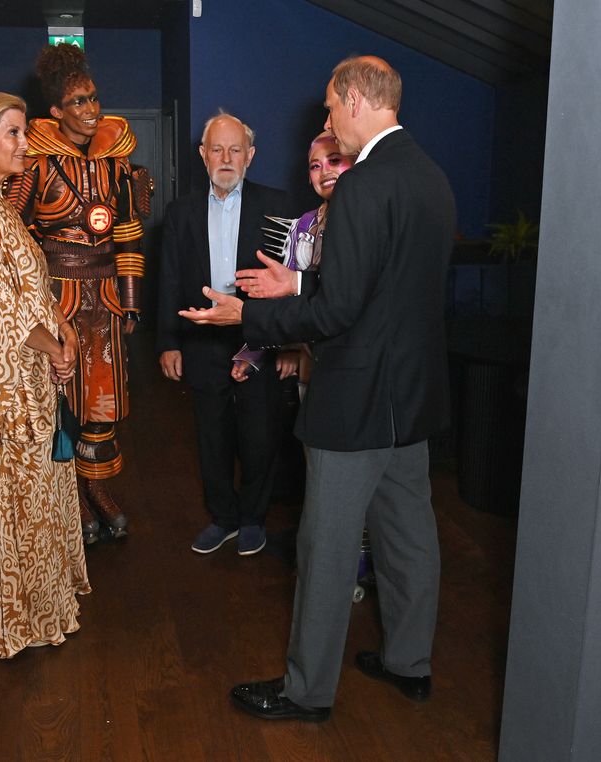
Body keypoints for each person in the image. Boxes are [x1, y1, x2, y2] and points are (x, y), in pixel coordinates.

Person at [179, 55, 456, 721]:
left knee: (326, 547)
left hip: (356, 400)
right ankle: (408, 663)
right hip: (410, 397)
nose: (328, 122)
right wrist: (297, 284)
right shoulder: (431, 177)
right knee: (409, 537)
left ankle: (306, 694)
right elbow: (380, 292)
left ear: (356, 100)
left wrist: (250, 314)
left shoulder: (361, 186)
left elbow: (338, 315)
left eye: (331, 108)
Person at [0, 91, 90, 658]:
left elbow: (30, 289)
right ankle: (19, 620)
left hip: (33, 370)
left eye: (24, 132)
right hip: (8, 382)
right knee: (18, 502)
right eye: (14, 133)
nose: (25, 143)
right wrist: (53, 345)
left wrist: (64, 332)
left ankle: (47, 606)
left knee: (40, 495)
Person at [6, 43, 146, 544]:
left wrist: (130, 298)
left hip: (104, 299)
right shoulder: (34, 166)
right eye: (79, 103)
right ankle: (69, 500)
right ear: (56, 112)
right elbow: (13, 238)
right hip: (57, 300)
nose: (91, 111)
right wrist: (31, 308)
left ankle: (98, 490)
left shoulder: (115, 164)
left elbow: (127, 230)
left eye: (94, 99)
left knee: (103, 404)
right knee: (61, 401)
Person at [155, 112, 295, 557]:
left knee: (259, 436)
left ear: (251, 156)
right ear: (202, 155)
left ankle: (254, 518)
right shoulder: (180, 213)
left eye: (236, 149)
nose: (227, 158)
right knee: (211, 439)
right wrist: (168, 342)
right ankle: (224, 518)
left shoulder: (279, 207)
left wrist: (277, 346)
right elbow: (169, 279)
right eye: (217, 149)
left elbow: (290, 285)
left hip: (257, 340)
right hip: (199, 343)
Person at [231, 132, 354, 387]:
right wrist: (270, 350)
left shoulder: (364, 220)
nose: (325, 172)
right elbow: (285, 296)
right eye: (315, 166)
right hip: (313, 357)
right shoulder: (304, 226)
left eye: (334, 160)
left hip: (355, 357)